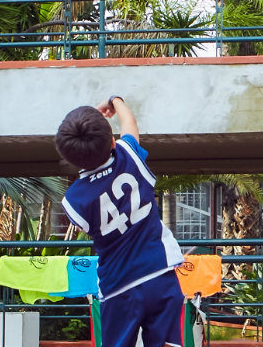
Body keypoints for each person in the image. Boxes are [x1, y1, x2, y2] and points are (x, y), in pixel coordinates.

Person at [56, 96, 184, 347]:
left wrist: (86, 124)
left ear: (70, 158)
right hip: (160, 271)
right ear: (112, 141)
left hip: (118, 286)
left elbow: (85, 224)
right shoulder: (129, 157)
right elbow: (130, 122)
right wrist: (115, 100)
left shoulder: (73, 201)